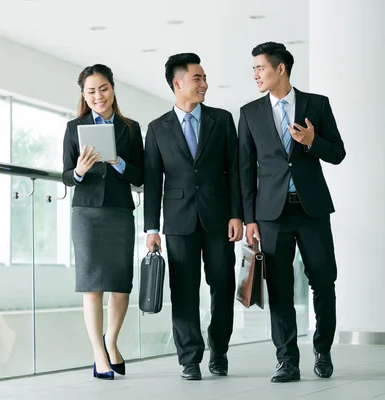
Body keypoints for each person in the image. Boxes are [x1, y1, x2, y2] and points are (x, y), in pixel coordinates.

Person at [238, 42, 346, 383]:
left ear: (280, 68)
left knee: (324, 282)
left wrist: (313, 141)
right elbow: (244, 169)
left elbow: (338, 153)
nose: (255, 74)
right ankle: (286, 360)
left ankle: (323, 351)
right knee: (280, 288)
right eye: (253, 69)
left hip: (312, 210)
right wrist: (250, 218)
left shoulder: (317, 104)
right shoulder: (250, 112)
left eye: (260, 68)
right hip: (271, 214)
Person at [143, 53, 243, 380]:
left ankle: (220, 349)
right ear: (178, 83)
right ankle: (189, 358)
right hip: (178, 221)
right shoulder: (157, 129)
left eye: (204, 78)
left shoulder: (222, 119)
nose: (204, 84)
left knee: (223, 286)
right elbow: (153, 181)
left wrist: (237, 215)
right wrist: (151, 229)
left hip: (219, 219)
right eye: (197, 78)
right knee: (183, 290)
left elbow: (236, 172)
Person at [62, 64, 144, 380]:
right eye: (91, 91)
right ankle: (99, 353)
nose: (99, 96)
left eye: (103, 88)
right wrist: (81, 170)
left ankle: (111, 341)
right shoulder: (74, 127)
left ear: (112, 89)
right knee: (92, 286)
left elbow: (141, 177)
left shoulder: (131, 128)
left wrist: (118, 162)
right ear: (84, 95)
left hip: (120, 211)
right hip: (87, 214)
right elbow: (67, 175)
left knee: (121, 285)